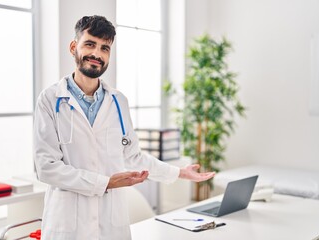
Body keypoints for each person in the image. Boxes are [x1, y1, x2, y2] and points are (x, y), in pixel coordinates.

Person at [34, 15, 215, 240]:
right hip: (68, 225)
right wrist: (106, 182)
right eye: (90, 44)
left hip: (111, 225)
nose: (97, 54)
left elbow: (133, 156)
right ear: (74, 47)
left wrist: (178, 172)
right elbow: (46, 167)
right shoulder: (50, 100)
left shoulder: (118, 101)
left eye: (105, 48)